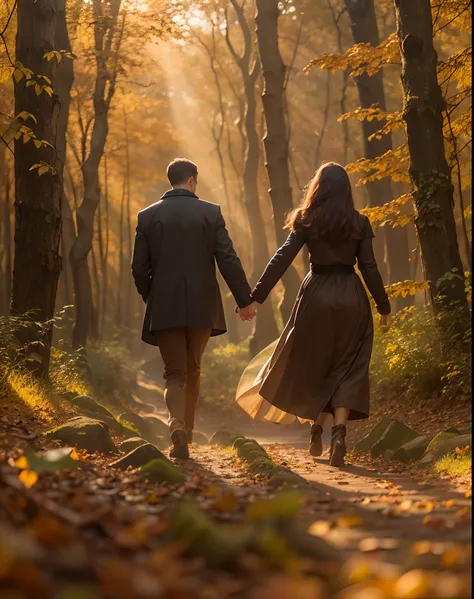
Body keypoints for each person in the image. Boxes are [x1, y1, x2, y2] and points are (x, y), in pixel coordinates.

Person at [236, 162, 391, 467]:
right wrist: (383, 306)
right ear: (347, 189)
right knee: (348, 367)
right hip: (351, 297)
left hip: (316, 296)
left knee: (316, 364)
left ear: (318, 188)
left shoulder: (306, 220)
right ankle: (340, 435)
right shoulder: (359, 222)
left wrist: (255, 297)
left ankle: (317, 429)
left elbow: (282, 257)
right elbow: (369, 267)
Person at [132, 158, 256, 459]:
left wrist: (153, 297)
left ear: (171, 179)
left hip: (165, 306)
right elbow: (228, 259)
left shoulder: (147, 217)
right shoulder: (210, 213)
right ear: (192, 180)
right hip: (202, 306)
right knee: (193, 370)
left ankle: (175, 424)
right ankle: (186, 430)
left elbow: (138, 269)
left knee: (173, 373)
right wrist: (245, 300)